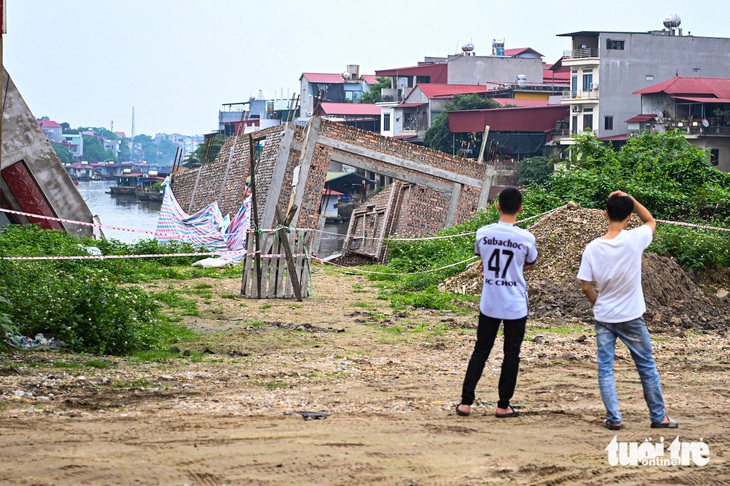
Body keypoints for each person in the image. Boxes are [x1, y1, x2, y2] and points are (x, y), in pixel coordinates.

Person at [577, 190, 678, 430]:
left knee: (605, 368)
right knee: (646, 366)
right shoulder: (635, 239)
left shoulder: (593, 247)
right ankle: (658, 417)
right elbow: (651, 221)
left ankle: (613, 418)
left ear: (605, 215)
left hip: (604, 317)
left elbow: (585, 285)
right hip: (632, 316)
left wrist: (597, 303)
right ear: (629, 218)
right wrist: (631, 199)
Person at [456, 187, 538, 418]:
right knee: (512, 354)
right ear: (520, 209)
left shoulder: (483, 233)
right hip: (515, 304)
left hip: (490, 302)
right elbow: (531, 263)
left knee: (481, 350)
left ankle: (465, 402)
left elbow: (483, 257)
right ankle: (503, 405)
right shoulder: (526, 237)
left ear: (498, 206)